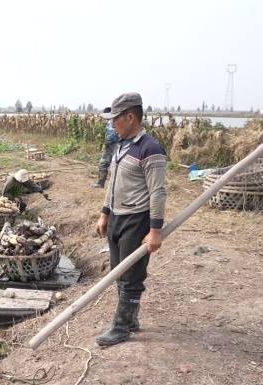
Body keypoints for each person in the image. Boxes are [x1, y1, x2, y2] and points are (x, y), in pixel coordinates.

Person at [95, 92, 167, 346]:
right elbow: (113, 182)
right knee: (118, 271)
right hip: (117, 217)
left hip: (137, 220)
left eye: (115, 119)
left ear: (130, 117)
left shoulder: (150, 149)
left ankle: (121, 327)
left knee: (131, 276)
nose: (111, 124)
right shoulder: (121, 146)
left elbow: (158, 192)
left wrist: (155, 230)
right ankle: (130, 319)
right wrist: (105, 213)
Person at [93, 107, 119, 188]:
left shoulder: (111, 122)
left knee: (105, 163)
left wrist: (106, 143)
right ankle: (110, 184)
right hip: (117, 145)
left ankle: (101, 183)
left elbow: (111, 136)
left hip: (113, 146)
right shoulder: (114, 121)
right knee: (115, 165)